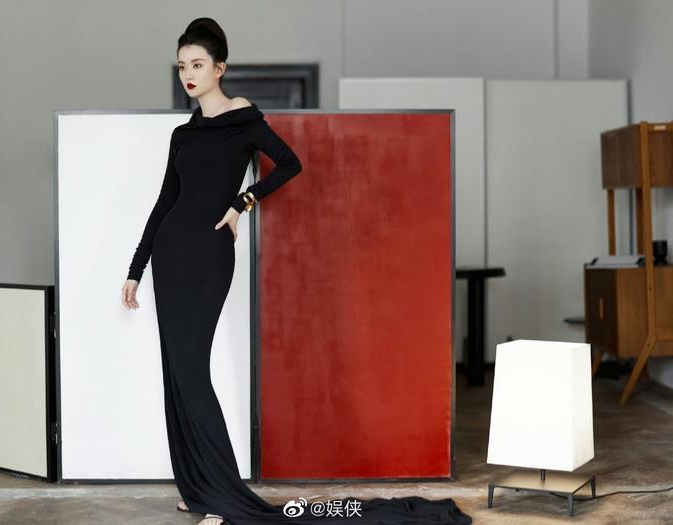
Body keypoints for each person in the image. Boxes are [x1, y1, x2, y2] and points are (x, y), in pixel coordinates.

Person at [121, 16, 471, 525]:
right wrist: (136, 268)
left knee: (193, 373)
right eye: (181, 67)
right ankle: (197, 489)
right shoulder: (182, 134)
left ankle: (222, 495)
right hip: (170, 257)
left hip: (209, 256)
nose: (188, 75)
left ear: (220, 68)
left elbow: (290, 163)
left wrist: (242, 202)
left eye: (197, 65)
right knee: (176, 374)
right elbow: (164, 203)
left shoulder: (244, 121)